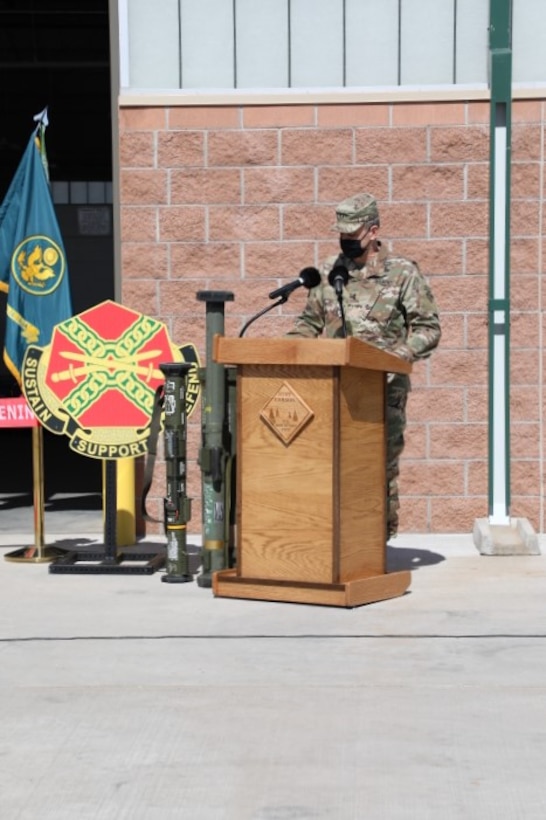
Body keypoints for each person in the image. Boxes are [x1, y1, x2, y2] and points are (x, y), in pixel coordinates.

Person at [286, 193, 441, 540]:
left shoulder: (401, 274)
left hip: (381, 392)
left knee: (374, 469)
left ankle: (374, 546)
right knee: (328, 468)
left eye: (352, 236)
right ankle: (333, 544)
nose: (345, 242)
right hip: (330, 391)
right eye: (341, 235)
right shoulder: (327, 273)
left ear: (373, 232)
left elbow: (429, 329)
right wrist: (290, 351)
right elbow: (309, 324)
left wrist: (395, 358)